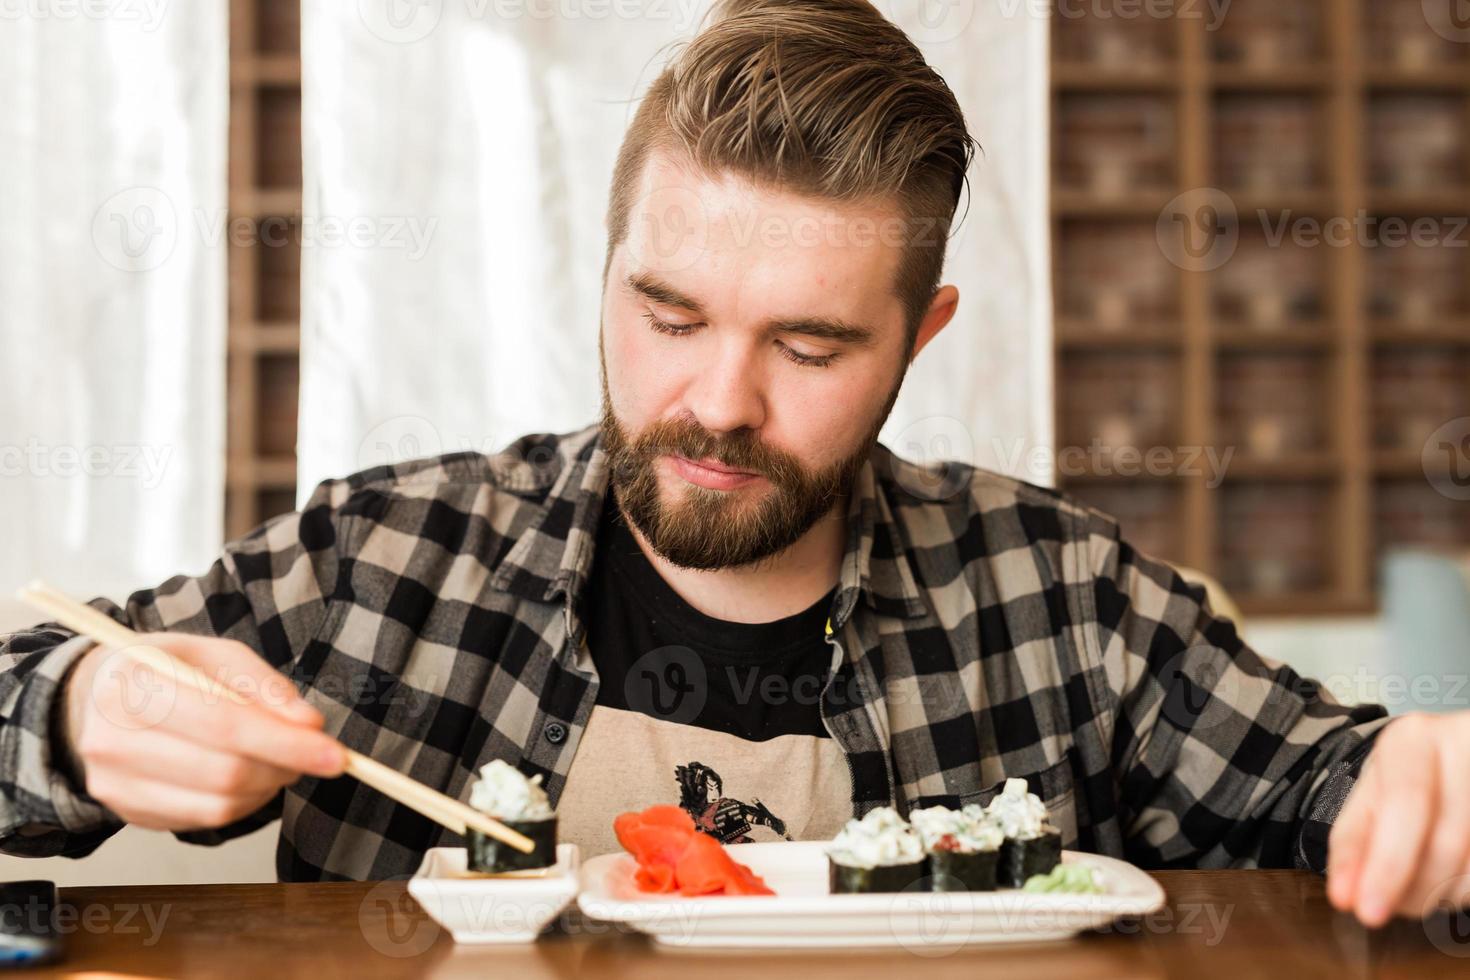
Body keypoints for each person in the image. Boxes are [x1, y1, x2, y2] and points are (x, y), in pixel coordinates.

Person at [0, 0, 1455, 928]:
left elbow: (1333, 786)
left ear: (917, 336)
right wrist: (73, 715)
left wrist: (1426, 769)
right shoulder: (386, 565)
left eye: (811, 348)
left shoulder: (1061, 599)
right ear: (610, 266)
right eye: (667, 313)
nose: (717, 402)